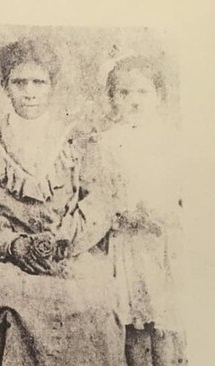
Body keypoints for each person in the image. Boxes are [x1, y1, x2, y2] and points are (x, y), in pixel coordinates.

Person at [0, 38, 125, 365]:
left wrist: (63, 241)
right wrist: (14, 245)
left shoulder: (76, 136)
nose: (30, 92)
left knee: (95, 304)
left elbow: (97, 203)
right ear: (5, 86)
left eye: (39, 82)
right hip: (11, 258)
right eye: (19, 82)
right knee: (16, 307)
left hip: (70, 252)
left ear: (52, 86)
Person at [98, 56, 186, 365]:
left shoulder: (172, 140)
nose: (133, 101)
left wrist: (163, 211)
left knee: (163, 325)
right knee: (133, 324)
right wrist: (121, 213)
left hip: (161, 242)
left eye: (142, 92)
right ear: (112, 99)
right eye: (123, 93)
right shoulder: (107, 143)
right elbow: (101, 193)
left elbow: (183, 192)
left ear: (159, 96)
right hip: (127, 243)